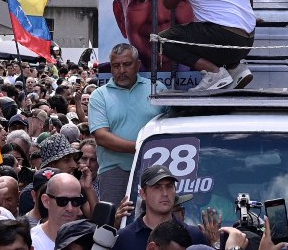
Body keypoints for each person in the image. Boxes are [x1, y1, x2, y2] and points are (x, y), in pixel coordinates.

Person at [88, 44, 165, 204]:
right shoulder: (99, 96)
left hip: (155, 170)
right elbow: (101, 137)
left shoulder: (157, 89)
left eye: (127, 64)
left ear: (138, 65)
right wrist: (141, 147)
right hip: (115, 172)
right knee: (113, 224)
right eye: (116, 66)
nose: (121, 70)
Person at [111, 166, 208, 250]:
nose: (165, 193)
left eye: (169, 186)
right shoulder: (124, 238)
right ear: (143, 194)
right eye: (157, 187)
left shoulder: (194, 235)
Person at [32, 172, 85, 250]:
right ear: (46, 201)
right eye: (62, 201)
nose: (70, 208)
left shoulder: (89, 238)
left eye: (75, 201)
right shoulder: (32, 242)